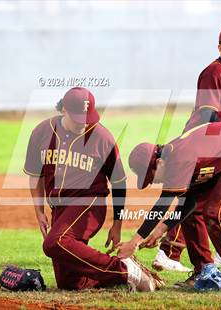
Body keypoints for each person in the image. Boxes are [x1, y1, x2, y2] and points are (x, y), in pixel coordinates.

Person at [24, 87, 160, 291]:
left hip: (89, 204)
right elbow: (36, 176)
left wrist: (117, 224)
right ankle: (124, 277)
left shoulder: (102, 137)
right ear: (63, 110)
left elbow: (119, 183)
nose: (84, 122)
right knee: (70, 283)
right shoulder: (41, 132)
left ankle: (124, 269)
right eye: (78, 118)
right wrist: (40, 212)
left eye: (88, 117)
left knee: (55, 242)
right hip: (59, 210)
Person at [154, 23, 221, 281]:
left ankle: (207, 259)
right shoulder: (214, 72)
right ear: (220, 47)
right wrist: (201, 151)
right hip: (209, 150)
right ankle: (178, 256)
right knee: (197, 205)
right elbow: (206, 115)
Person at [117, 121, 221, 289]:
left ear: (159, 163)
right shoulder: (170, 158)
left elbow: (163, 203)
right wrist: (158, 230)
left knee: (214, 214)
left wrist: (135, 241)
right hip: (219, 160)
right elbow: (188, 204)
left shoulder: (178, 158)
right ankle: (202, 270)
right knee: (190, 214)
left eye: (152, 176)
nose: (155, 181)